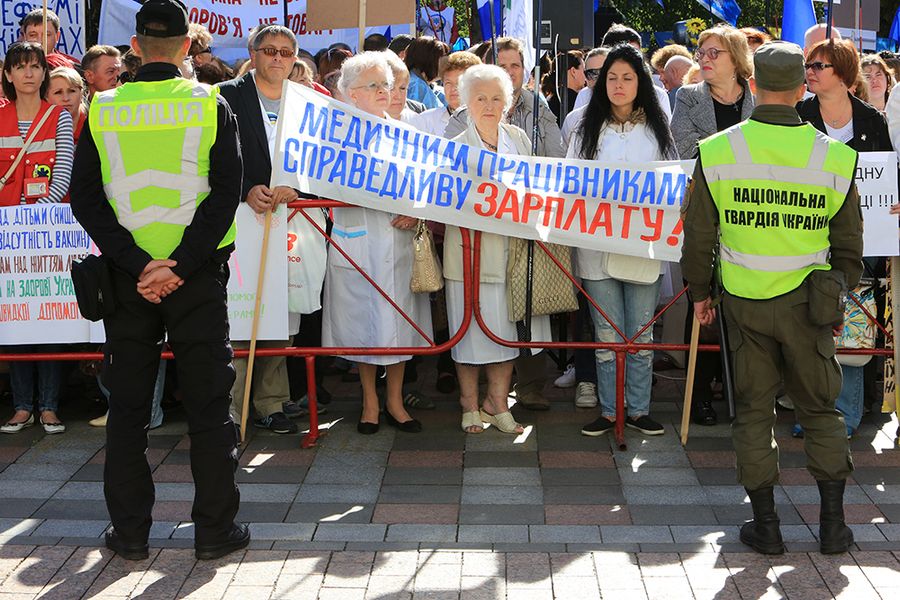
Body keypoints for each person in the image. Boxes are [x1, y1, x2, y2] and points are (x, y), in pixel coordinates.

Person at [70, 0, 247, 561]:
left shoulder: (103, 107)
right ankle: (214, 532)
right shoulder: (210, 103)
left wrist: (137, 264)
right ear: (187, 46)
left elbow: (85, 199)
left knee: (127, 409)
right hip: (194, 277)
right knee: (208, 405)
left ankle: (130, 535)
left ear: (136, 47)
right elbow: (226, 194)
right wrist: (179, 265)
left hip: (128, 280)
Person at [681, 41, 862, 556]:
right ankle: (833, 527)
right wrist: (835, 293)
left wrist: (700, 293)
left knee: (754, 414)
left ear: (754, 85)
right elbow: (850, 248)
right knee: (821, 410)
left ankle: (766, 526)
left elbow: (698, 237)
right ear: (803, 89)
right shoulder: (835, 157)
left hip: (744, 303)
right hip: (810, 305)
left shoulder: (718, 151)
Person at [445, 36, 564, 411]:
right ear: (467, 101)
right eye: (480, 98)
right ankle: (469, 403)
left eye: (497, 98)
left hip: (514, 254)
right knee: (469, 334)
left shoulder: (519, 138)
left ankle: (497, 402)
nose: (489, 106)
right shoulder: (455, 142)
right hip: (470, 254)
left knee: (507, 334)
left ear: (508, 102)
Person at [324, 52, 433, 434]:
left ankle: (395, 401)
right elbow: (324, 183)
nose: (384, 92)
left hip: (398, 242)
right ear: (352, 93)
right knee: (363, 325)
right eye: (374, 85)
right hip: (357, 241)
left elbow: (426, 185)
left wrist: (417, 212)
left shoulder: (407, 133)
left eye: (386, 84)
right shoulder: (334, 135)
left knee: (398, 325)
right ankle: (369, 401)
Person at [570, 44, 675, 438]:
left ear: (640, 82)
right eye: (611, 77)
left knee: (641, 333)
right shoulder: (584, 129)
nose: (618, 84)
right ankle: (611, 409)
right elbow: (570, 183)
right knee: (606, 333)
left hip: (644, 247)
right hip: (596, 248)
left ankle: (639, 409)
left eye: (627, 77)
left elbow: (673, 181)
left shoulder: (658, 130)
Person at [217, 25, 303, 435]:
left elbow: (316, 160)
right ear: (253, 54)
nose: (278, 58)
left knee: (279, 312)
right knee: (239, 310)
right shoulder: (225, 96)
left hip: (289, 221)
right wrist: (246, 189)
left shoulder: (304, 100)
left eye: (286, 52)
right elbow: (212, 159)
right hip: (238, 218)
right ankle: (230, 406)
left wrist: (297, 187)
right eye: (270, 50)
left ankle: (271, 401)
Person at [0, 42, 74, 436]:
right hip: (6, 237)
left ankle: (48, 406)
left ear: (44, 73)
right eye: (20, 66)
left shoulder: (59, 116)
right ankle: (21, 406)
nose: (28, 73)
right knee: (13, 317)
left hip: (48, 232)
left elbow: (63, 175)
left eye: (35, 66)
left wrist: (32, 216)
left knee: (47, 317)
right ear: (8, 75)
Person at [671, 24, 755, 160]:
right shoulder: (687, 96)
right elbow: (684, 150)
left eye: (713, 53)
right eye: (701, 53)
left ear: (736, 58)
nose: (704, 59)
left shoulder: (759, 98)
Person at [797, 40, 892, 151]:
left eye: (818, 66)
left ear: (843, 71)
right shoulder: (798, 115)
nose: (809, 72)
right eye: (807, 66)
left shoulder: (873, 119)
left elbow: (886, 159)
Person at [411, 51, 481, 136]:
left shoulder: (488, 120)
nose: (453, 88)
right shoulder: (426, 120)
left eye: (460, 82)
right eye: (448, 83)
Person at [561, 48, 609, 149]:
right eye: (592, 74)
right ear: (586, 78)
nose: (599, 79)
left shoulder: (634, 118)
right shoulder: (573, 120)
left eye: (604, 72)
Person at [404, 36, 448, 109]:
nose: (446, 62)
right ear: (429, 60)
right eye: (442, 57)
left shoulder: (419, 83)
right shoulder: (416, 87)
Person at [47, 66, 85, 143]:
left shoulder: (94, 126)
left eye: (71, 91)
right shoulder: (39, 130)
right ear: (46, 97)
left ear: (81, 94)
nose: (66, 98)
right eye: (58, 92)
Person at [546, 50, 586, 122]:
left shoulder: (550, 98)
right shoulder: (579, 101)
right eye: (584, 70)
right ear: (573, 71)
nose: (586, 76)